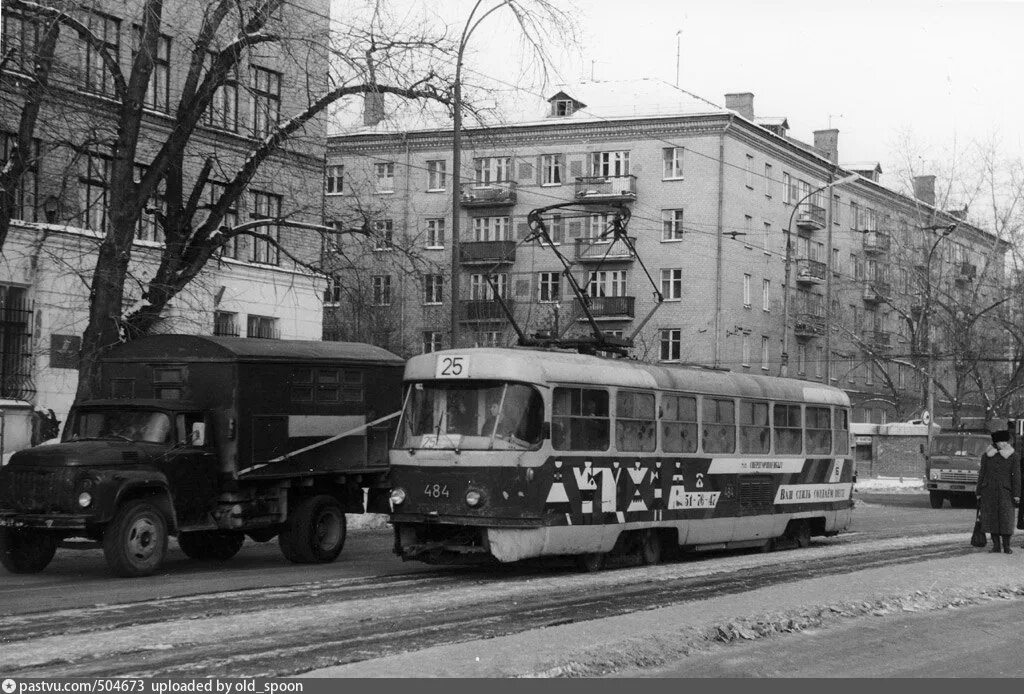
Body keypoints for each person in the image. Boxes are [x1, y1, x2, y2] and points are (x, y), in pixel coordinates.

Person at [976, 429, 1021, 554]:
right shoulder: (987, 455)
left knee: (1006, 519)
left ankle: (1007, 546)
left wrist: (1017, 494)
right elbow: (982, 473)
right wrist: (978, 491)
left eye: (1004, 441)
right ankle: (996, 546)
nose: (1002, 444)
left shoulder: (1013, 456)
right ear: (995, 442)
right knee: (991, 518)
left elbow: (1016, 476)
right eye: (1000, 441)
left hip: (1006, 492)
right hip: (988, 491)